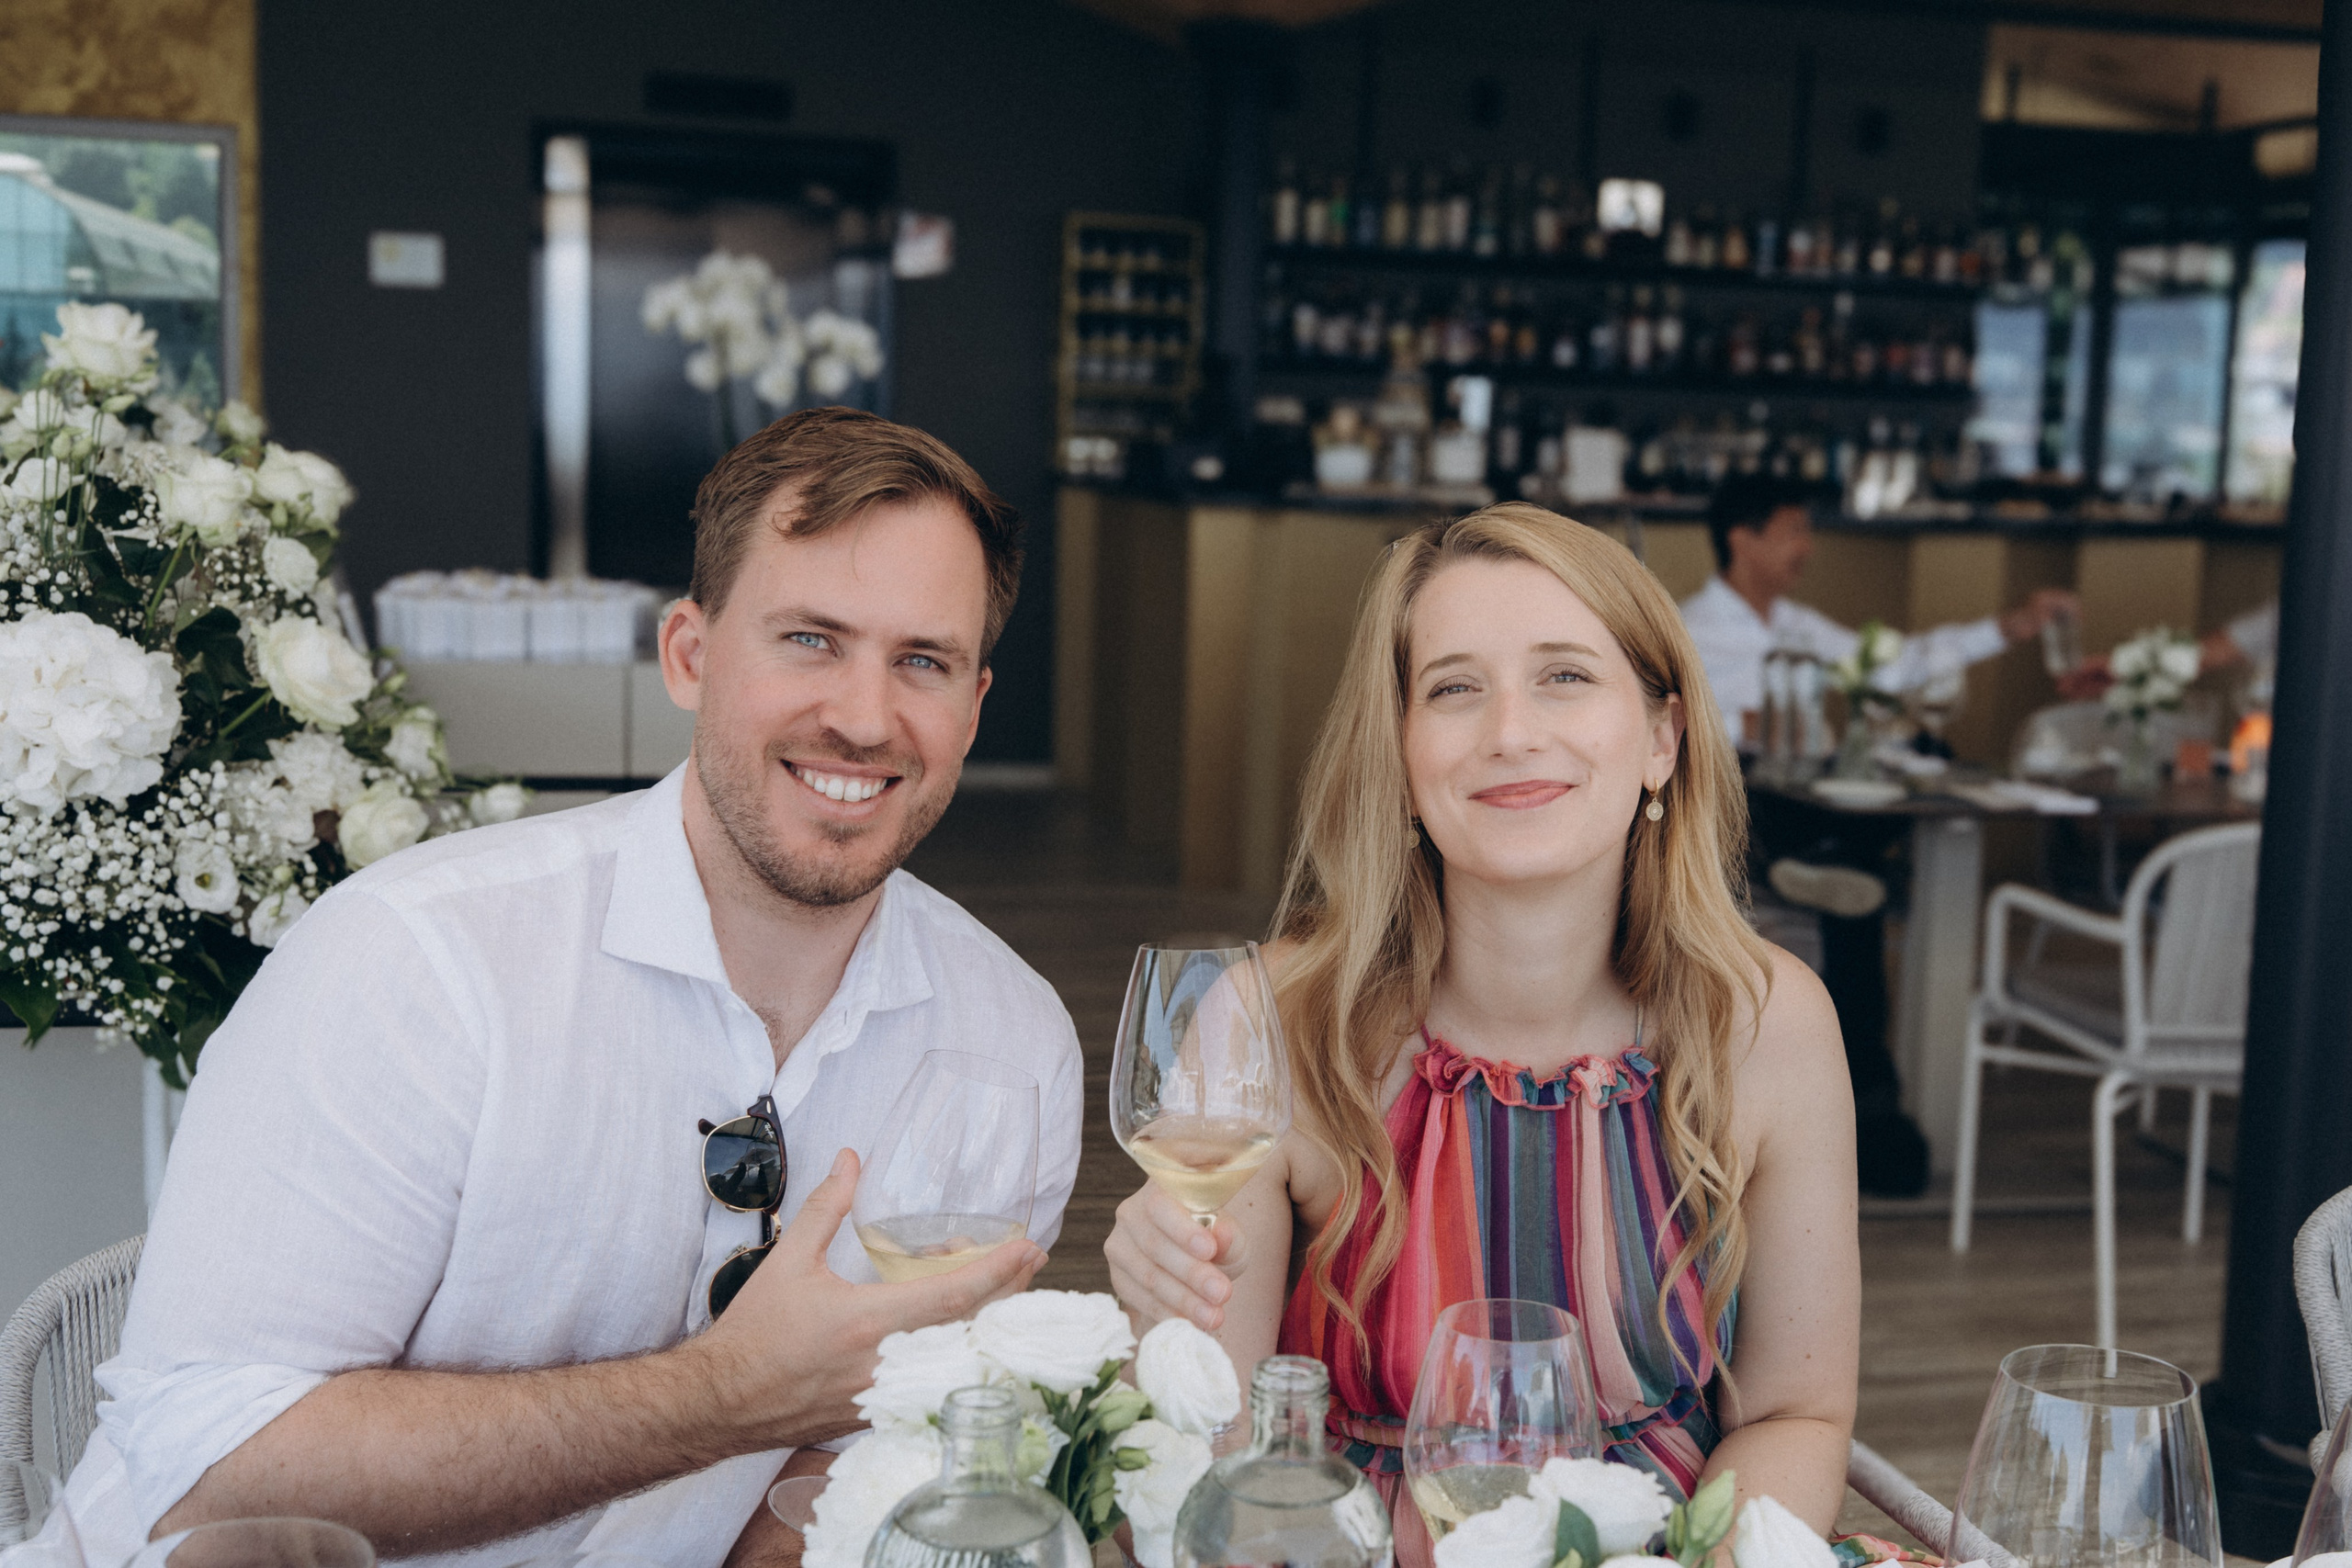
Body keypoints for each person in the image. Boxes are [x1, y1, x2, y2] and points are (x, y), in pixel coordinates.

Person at [28, 408, 1084, 1568]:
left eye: (922, 662)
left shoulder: (1014, 1046)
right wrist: (727, 1394)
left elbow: (868, 1464)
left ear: (974, 707)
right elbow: (209, 1478)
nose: (864, 717)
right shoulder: (418, 960)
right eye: (809, 640)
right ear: (689, 656)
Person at [1105, 504, 1859, 1568]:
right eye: (1454, 688)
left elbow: (1795, 1412)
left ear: (1661, 739)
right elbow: (1206, 1457)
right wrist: (1164, 1330)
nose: (1510, 731)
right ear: (1400, 750)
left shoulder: (1767, 1022)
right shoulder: (1265, 1022)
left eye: (1564, 676)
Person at [1679, 471, 2075, 1197]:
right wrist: (1747, 723)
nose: (1807, 546)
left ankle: (1830, 863)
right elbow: (1666, 724)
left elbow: (1897, 664)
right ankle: (1873, 1100)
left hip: (1815, 805)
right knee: (1840, 873)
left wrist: (2012, 625)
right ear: (1743, 538)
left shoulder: (1797, 626)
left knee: (1886, 808)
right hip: (1740, 811)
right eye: (1793, 530)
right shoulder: (1691, 628)